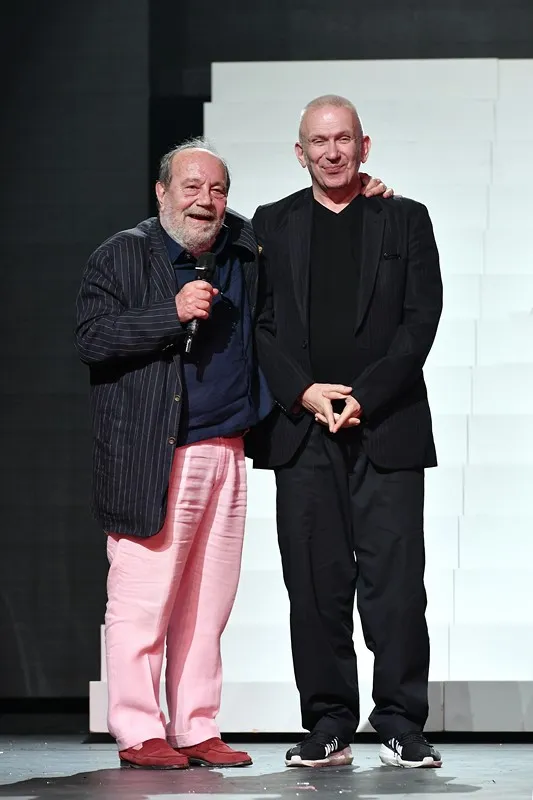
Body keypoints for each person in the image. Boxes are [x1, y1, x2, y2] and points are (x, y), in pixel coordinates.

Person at [75, 137, 390, 770]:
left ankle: (195, 725)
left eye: (217, 189)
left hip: (227, 450)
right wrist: (168, 315)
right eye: (191, 187)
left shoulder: (245, 247)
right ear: (162, 193)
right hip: (153, 457)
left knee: (208, 603)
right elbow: (91, 338)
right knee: (143, 603)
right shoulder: (121, 256)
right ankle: (139, 731)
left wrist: (363, 194)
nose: (206, 200)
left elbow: (312, 218)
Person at [248, 95, 443, 770]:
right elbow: (258, 326)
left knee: (394, 586)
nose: (331, 151)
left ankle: (398, 721)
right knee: (314, 584)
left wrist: (361, 398)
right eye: (317, 142)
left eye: (342, 139)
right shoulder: (269, 225)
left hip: (384, 427)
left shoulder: (404, 218)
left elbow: (419, 321)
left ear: (365, 145)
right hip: (303, 432)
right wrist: (303, 393)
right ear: (298, 152)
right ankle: (328, 723)